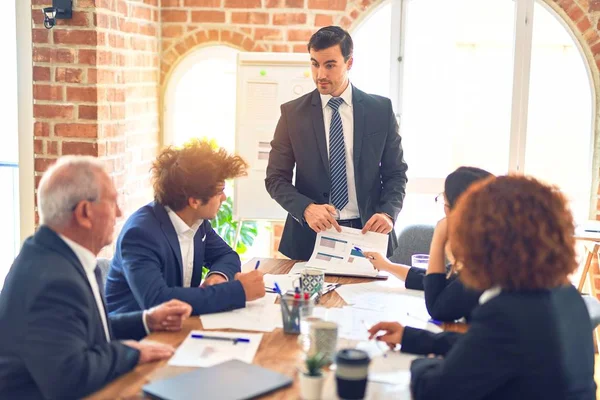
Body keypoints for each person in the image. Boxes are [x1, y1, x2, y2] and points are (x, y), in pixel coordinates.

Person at [368, 175, 596, 399]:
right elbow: (484, 344)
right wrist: (412, 337)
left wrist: (421, 363)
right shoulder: (564, 295)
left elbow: (433, 389)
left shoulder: (506, 313)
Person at [0, 156, 193, 399]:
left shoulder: (56, 254)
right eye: (113, 201)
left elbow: (82, 332)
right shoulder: (53, 281)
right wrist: (133, 352)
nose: (120, 212)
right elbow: (71, 376)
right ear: (84, 212)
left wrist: (146, 321)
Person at [265, 25, 408, 261]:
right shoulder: (292, 114)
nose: (320, 74)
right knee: (311, 300)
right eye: (314, 64)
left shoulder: (380, 111)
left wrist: (388, 213)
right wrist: (306, 208)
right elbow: (275, 179)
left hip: (367, 233)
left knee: (367, 299)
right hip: (309, 236)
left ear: (349, 63)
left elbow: (396, 173)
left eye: (330, 65)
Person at [106, 139, 266, 316]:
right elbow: (158, 300)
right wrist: (238, 291)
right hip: (139, 337)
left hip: (180, 325)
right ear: (194, 201)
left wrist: (219, 276)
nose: (224, 198)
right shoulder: (140, 234)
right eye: (219, 191)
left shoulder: (197, 222)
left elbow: (227, 255)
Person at [365, 166, 491, 321]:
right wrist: (387, 266)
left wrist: (438, 240)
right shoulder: (489, 250)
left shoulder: (484, 267)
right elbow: (437, 282)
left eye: (445, 201)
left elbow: (438, 308)